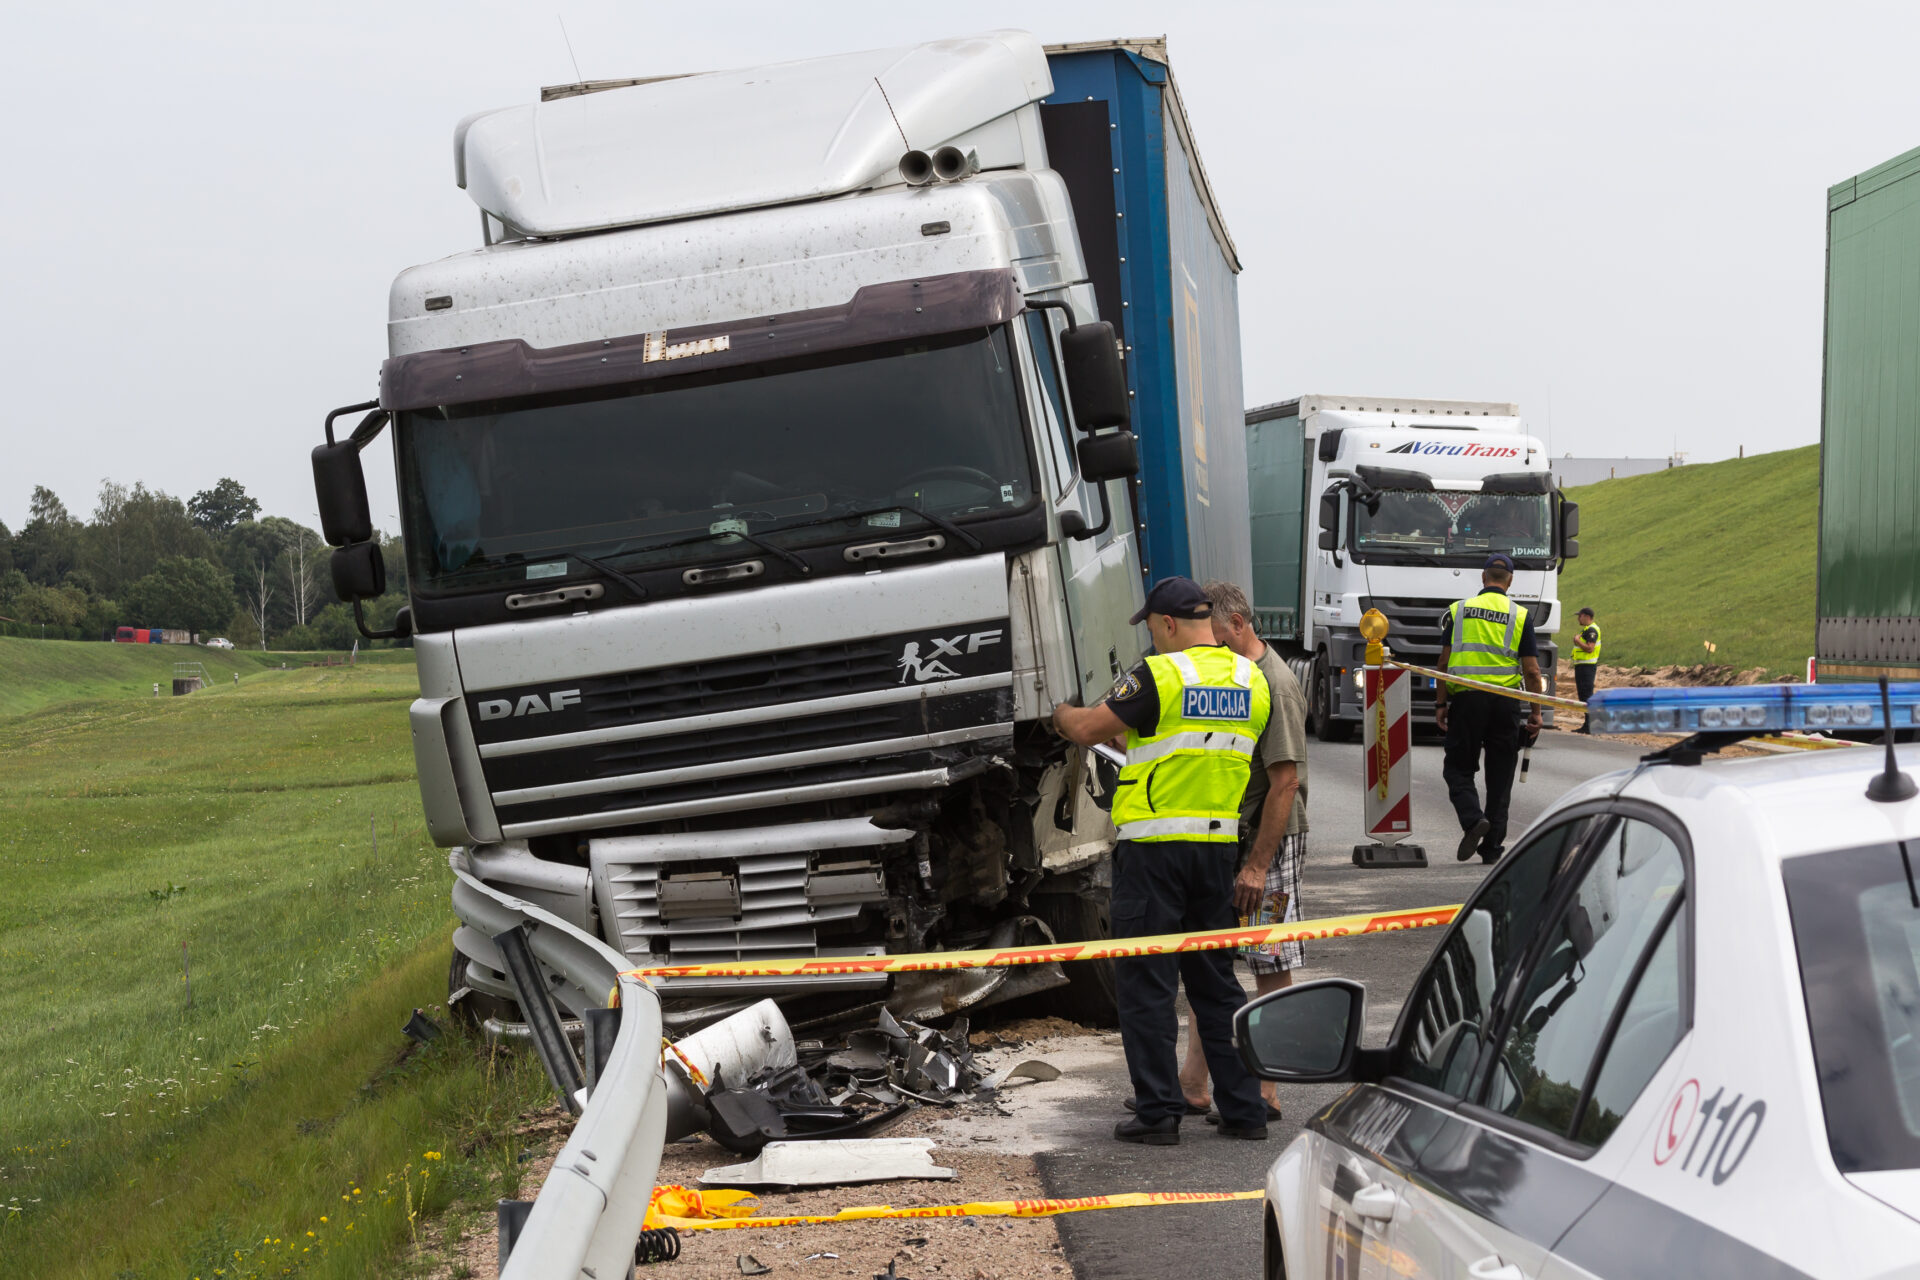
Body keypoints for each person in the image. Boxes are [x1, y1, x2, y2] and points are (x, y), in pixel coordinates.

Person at [1052, 576, 1272, 1145]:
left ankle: (1157, 1114)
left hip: (1153, 853)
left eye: (1151, 630)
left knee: (1147, 984)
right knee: (1216, 984)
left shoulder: (1161, 674)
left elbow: (1087, 727)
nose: (1152, 641)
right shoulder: (1252, 678)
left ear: (1169, 623)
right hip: (1217, 850)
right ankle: (1245, 1109)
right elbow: (1198, 743)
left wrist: (1057, 710)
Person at [1163, 580, 1307, 1123]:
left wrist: (1258, 865)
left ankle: (1268, 1090)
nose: (1210, 648)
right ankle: (1194, 1084)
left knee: (1269, 962)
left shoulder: (1276, 683)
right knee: (1213, 959)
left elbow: (1285, 783)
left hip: (1270, 846)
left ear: (1240, 624)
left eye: (1217, 636)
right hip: (1235, 842)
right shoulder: (1242, 676)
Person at [1434, 553, 1545, 863]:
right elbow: (1533, 671)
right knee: (1500, 776)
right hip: (1505, 703)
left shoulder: (1459, 610)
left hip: (1467, 701)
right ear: (1509, 581)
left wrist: (1441, 703)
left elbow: (1443, 663)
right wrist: (1536, 713)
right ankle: (1492, 848)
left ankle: (1472, 819)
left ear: (1483, 578)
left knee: (1457, 768)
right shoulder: (1519, 615)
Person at [1570, 607, 1601, 733]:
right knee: (1584, 696)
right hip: (1583, 667)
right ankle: (1587, 724)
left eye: (1580, 616)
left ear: (1586, 616)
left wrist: (1577, 641)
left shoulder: (1592, 630)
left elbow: (1590, 648)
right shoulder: (1587, 630)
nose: (1578, 618)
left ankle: (1591, 725)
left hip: (1587, 668)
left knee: (1586, 696)